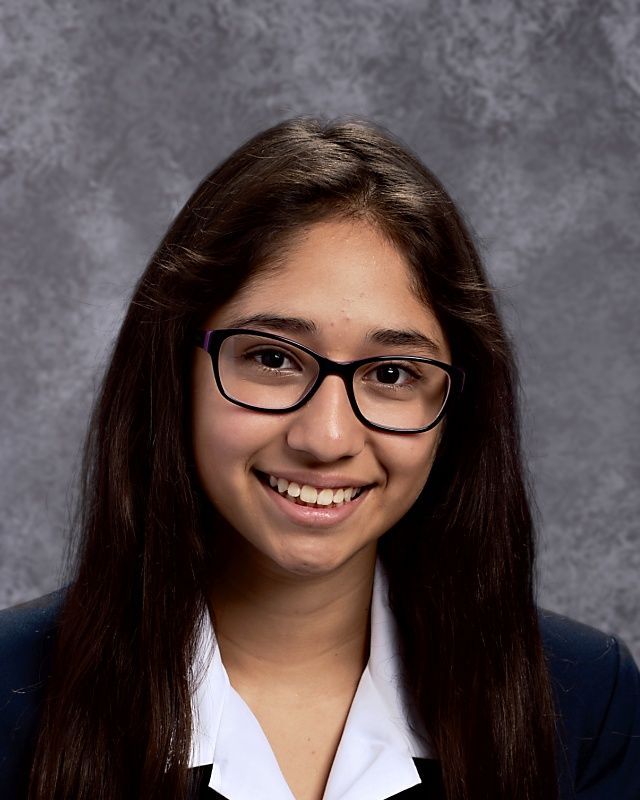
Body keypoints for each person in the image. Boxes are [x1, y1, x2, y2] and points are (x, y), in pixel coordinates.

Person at [0, 117, 638, 800]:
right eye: (272, 359)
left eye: (392, 373)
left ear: (458, 407)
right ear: (172, 370)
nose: (327, 438)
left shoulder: (587, 702)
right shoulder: (12, 696)